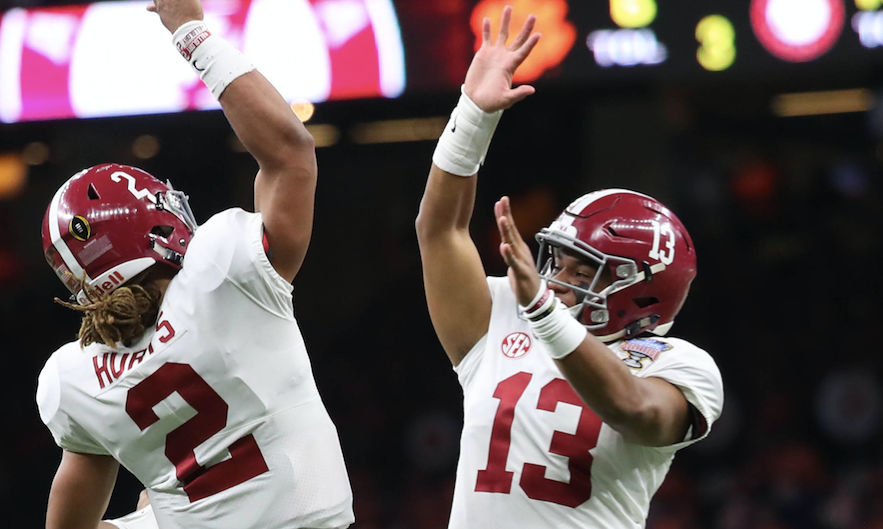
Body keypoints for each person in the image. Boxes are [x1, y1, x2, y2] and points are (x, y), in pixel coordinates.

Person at [35, 0, 353, 527]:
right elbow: (291, 151)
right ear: (148, 226)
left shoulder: (74, 377)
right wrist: (190, 32)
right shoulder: (223, 271)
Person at [415, 6, 724, 527]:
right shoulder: (509, 315)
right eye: (560, 260)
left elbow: (632, 408)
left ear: (641, 292)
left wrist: (542, 312)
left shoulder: (682, 366)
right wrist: (473, 115)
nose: (557, 280)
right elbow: (439, 231)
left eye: (585, 271)